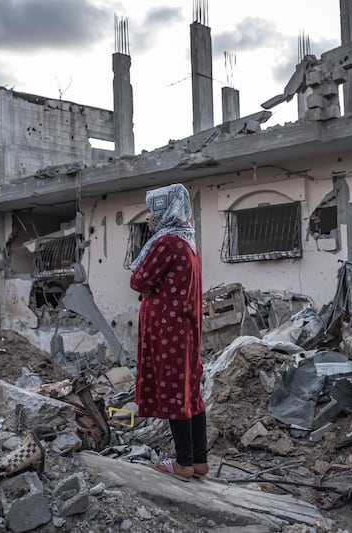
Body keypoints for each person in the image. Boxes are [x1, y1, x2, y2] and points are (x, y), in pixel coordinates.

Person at [129, 183, 208, 481]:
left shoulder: (167, 243)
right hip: (184, 329)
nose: (149, 217)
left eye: (153, 209)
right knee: (190, 392)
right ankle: (199, 461)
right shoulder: (188, 242)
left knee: (176, 393)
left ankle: (183, 463)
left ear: (166, 209)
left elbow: (138, 280)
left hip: (168, 330)